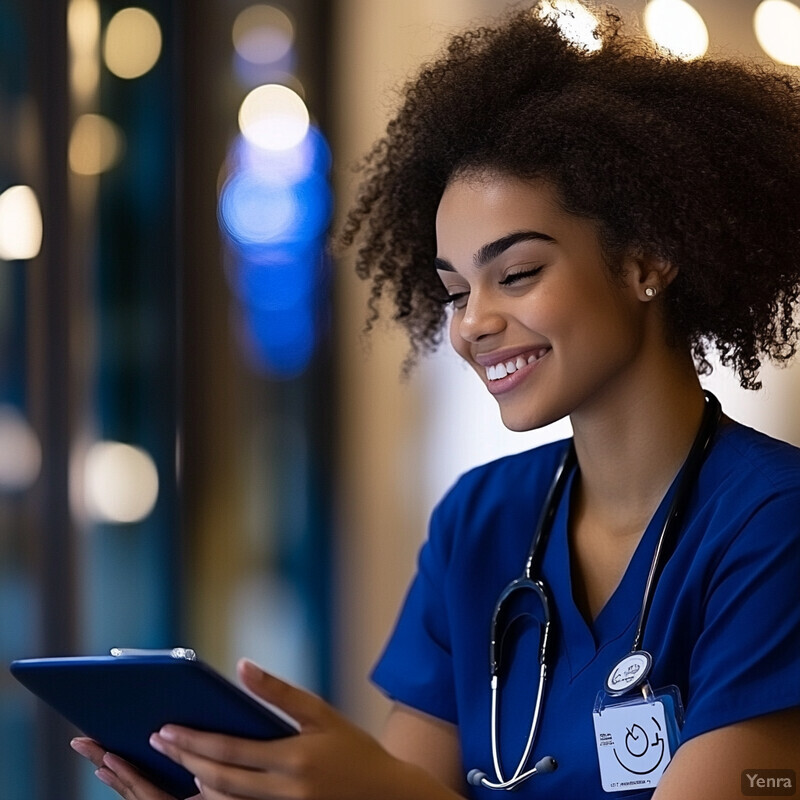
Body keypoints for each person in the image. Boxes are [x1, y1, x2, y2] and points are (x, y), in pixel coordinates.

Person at [72, 2, 800, 798]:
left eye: (516, 273)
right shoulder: (478, 524)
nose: (474, 324)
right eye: (455, 291)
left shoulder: (774, 523)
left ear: (647, 260)